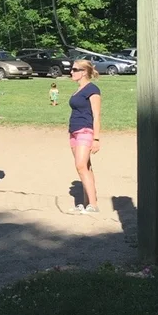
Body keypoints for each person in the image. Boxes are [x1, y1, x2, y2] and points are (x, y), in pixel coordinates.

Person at [68, 59, 102, 214]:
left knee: (80, 166)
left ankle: (93, 205)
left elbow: (96, 115)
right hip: (73, 131)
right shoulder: (78, 90)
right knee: (86, 167)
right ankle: (85, 202)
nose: (71, 72)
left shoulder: (92, 90)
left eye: (75, 69)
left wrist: (96, 139)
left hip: (85, 131)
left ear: (83, 72)